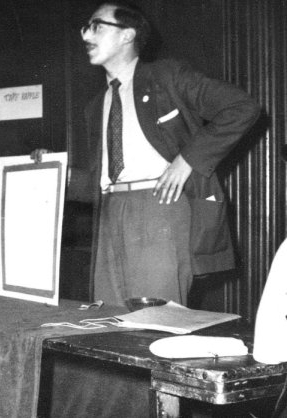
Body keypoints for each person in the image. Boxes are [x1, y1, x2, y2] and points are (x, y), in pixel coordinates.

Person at [34, 0, 260, 306]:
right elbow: (99, 182)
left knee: (155, 319)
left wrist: (187, 160)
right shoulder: (96, 106)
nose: (85, 35)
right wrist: (59, 173)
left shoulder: (166, 77)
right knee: (108, 318)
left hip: (159, 207)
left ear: (127, 35)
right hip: (109, 213)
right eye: (85, 28)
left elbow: (242, 107)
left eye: (96, 26)